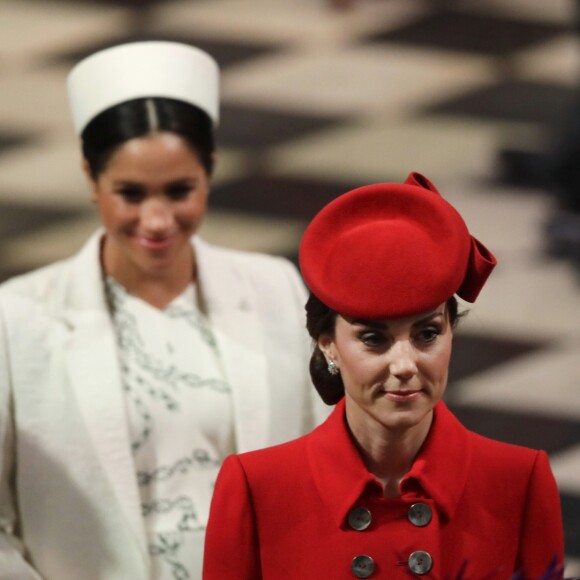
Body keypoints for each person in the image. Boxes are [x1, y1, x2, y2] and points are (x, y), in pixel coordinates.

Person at [0, 41, 327, 580]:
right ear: (91, 179)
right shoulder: (18, 318)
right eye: (130, 193)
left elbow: (329, 469)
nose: (157, 220)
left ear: (210, 172)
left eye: (180, 191)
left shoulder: (276, 288)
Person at [203, 172, 565, 579]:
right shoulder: (258, 489)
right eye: (374, 339)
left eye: (427, 334)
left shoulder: (518, 481)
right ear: (327, 344)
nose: (406, 364)